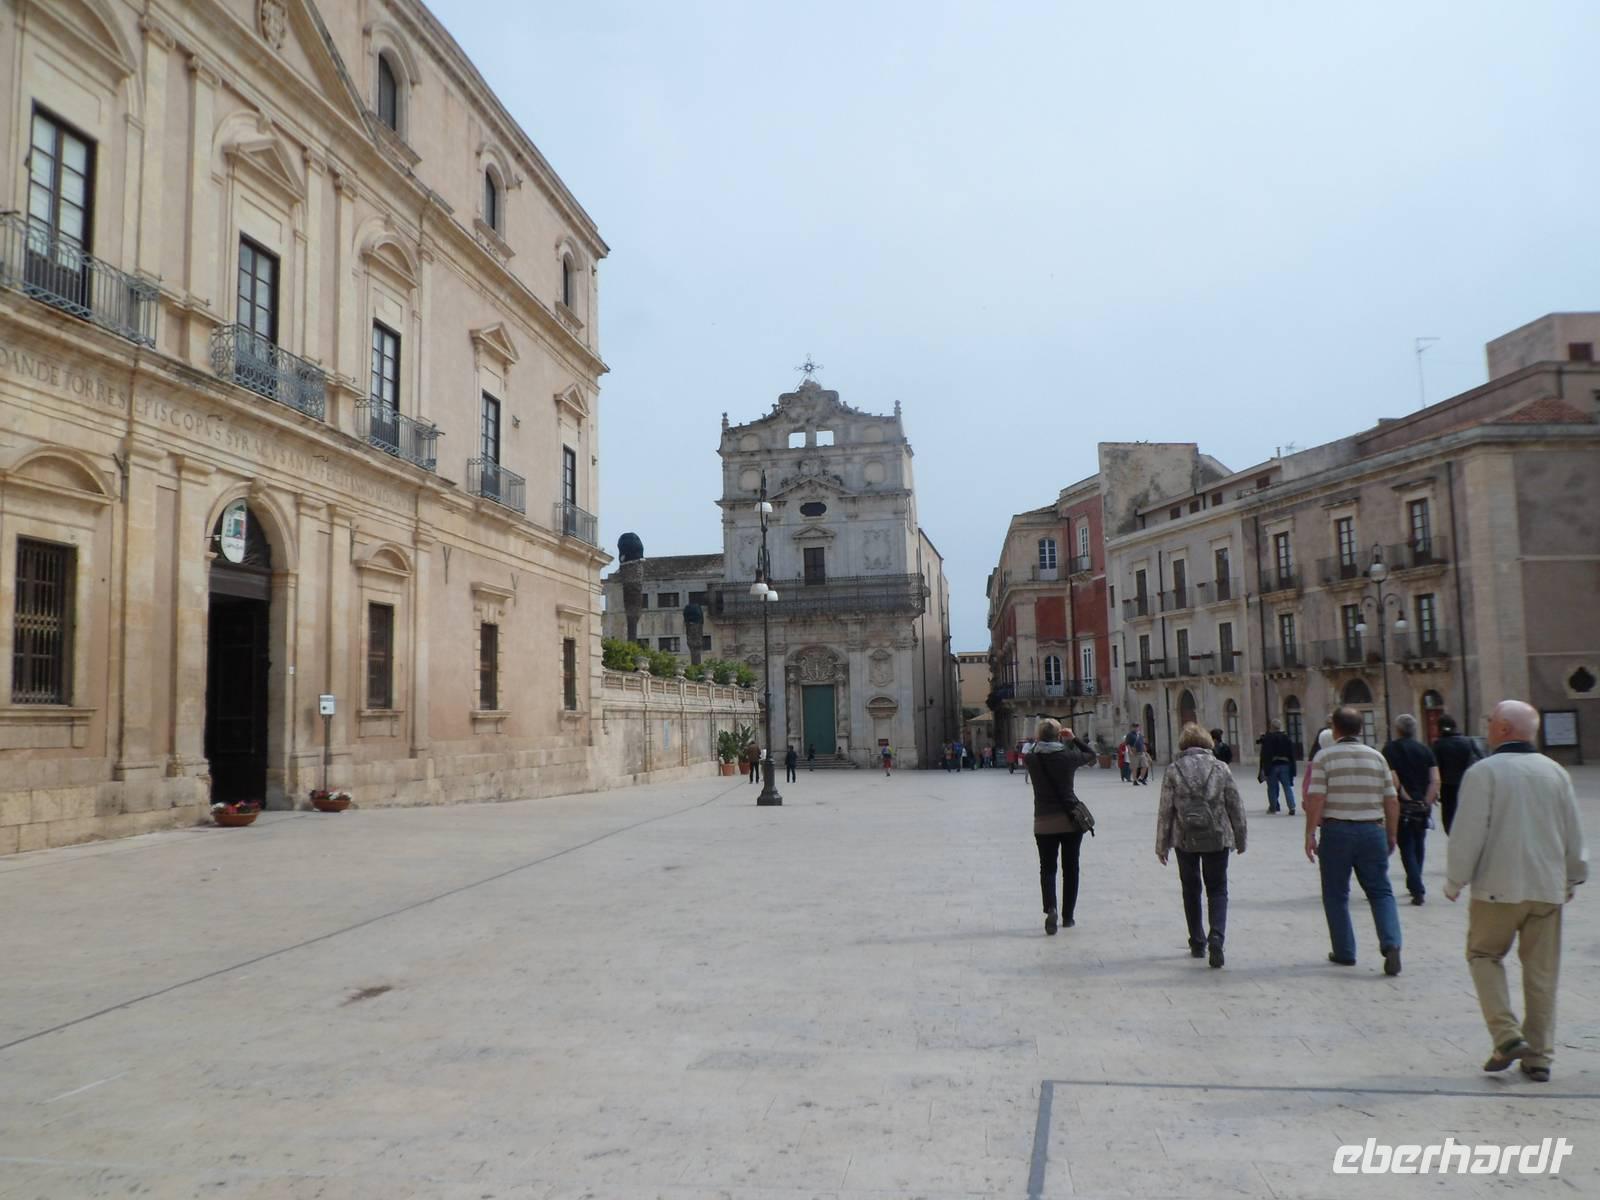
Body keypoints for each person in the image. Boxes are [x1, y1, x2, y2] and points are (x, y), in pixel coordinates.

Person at [1445, 700, 1587, 1083]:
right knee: (1542, 974)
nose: (1488, 726)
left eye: (1491, 720)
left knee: (1482, 954)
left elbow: (1468, 833)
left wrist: (1455, 879)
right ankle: (1539, 1056)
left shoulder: (1484, 772)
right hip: (1547, 888)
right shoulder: (1556, 772)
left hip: (1497, 887)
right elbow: (1573, 831)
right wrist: (1574, 876)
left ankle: (1507, 1036)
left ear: (1504, 729)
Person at [1305, 706, 1402, 975]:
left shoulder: (1325, 757)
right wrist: (1392, 833)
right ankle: (1391, 942)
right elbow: (1391, 799)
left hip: (1337, 831)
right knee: (1381, 891)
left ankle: (1345, 950)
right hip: (1372, 829)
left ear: (1334, 728)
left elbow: (1316, 798)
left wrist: (1310, 832)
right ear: (1360, 729)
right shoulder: (1377, 757)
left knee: (1336, 894)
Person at [1156, 724, 1247, 967]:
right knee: (1217, 888)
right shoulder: (1221, 767)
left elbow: (1166, 809)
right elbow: (1235, 804)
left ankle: (1197, 941)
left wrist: (1161, 844)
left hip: (1184, 836)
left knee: (1191, 888)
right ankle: (1217, 935)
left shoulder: (1173, 770)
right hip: (1217, 834)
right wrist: (1241, 836)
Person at [1025, 718, 1097, 935]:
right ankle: (1068, 916)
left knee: (1047, 868)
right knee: (1071, 868)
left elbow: (1036, 749)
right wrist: (1073, 739)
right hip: (1070, 821)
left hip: (1043, 822)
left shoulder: (1031, 758)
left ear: (1038, 737)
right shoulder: (1068, 756)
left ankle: (1051, 909)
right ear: (1058, 736)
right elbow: (1092, 757)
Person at [1383, 714, 1440, 905]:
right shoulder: (1425, 750)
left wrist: (1405, 797)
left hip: (1402, 805)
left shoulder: (1390, 749)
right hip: (1423, 805)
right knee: (1419, 844)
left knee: (1406, 846)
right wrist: (1426, 801)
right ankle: (1415, 881)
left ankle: (1417, 888)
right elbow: (1435, 779)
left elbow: (1393, 778)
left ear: (1397, 729)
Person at [1431, 714, 1482, 834]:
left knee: (1450, 822)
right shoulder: (1468, 741)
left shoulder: (1438, 745)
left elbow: (1435, 768)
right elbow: (1481, 759)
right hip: (1467, 785)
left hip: (1447, 789)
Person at [1258, 719, 1297, 815]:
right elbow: (1291, 754)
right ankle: (1292, 807)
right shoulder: (1286, 738)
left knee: (1272, 788)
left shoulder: (1268, 738)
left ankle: (1273, 807)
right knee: (1287, 787)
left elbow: (1265, 754)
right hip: (1285, 765)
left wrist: (1263, 768)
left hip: (1272, 766)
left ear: (1271, 727)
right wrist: (1293, 768)